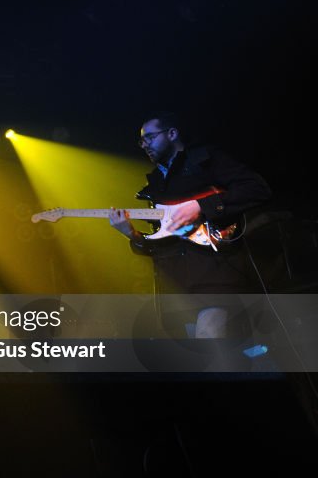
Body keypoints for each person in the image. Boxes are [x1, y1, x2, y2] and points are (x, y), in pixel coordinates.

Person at [108, 112, 271, 339]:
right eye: (141, 141)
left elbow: (257, 189)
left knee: (209, 342)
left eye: (150, 137)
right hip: (177, 286)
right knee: (203, 361)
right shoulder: (153, 185)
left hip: (216, 272)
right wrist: (132, 234)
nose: (144, 145)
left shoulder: (204, 159)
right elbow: (161, 241)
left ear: (172, 133)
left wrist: (201, 206)